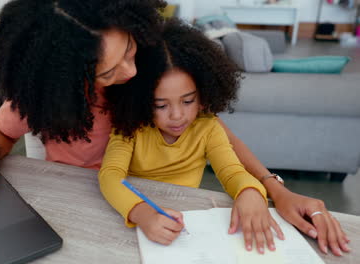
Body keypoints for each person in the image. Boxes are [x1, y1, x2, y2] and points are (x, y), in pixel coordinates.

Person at [0, 0, 349, 256]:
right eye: (108, 71)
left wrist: (273, 188)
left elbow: (215, 134)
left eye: (130, 49)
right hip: (71, 201)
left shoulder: (149, 70)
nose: (131, 70)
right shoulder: (47, 92)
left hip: (145, 202)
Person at [99, 18, 284, 252]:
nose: (177, 116)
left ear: (204, 93)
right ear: (141, 101)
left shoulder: (207, 128)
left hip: (187, 218)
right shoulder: (130, 127)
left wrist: (250, 191)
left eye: (188, 101)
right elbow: (110, 176)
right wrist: (142, 214)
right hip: (137, 215)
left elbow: (232, 171)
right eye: (160, 105)